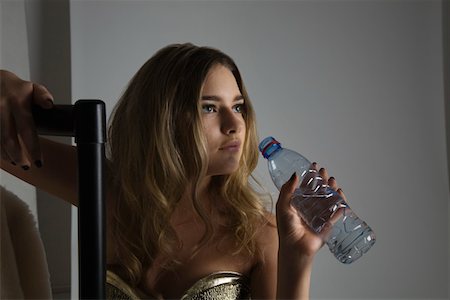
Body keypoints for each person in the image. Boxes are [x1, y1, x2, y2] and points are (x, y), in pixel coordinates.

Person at [0, 43, 346, 299]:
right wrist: (4, 82)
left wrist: (299, 257)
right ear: (162, 118)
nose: (234, 125)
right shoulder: (105, 189)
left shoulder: (258, 233)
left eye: (238, 107)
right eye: (209, 107)